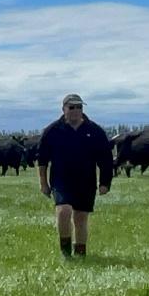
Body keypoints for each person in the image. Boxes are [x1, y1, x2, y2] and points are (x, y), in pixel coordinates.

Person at [36, 93, 113, 258]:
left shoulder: (95, 131)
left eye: (79, 107)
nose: (76, 110)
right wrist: (43, 183)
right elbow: (42, 160)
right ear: (63, 109)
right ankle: (66, 253)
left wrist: (105, 182)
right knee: (64, 211)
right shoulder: (52, 131)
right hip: (61, 180)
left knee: (80, 217)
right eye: (71, 107)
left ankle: (80, 253)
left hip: (86, 180)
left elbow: (105, 159)